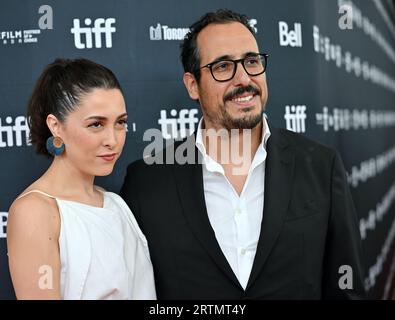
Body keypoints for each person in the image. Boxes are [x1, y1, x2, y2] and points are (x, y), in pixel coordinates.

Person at [120, 9, 366, 299]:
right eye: (223, 66)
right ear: (192, 85)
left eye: (251, 61)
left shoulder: (321, 167)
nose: (244, 79)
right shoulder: (146, 182)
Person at [7, 58, 156, 300]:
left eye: (120, 122)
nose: (113, 139)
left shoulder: (116, 204)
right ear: (56, 126)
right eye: (96, 124)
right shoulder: (34, 212)